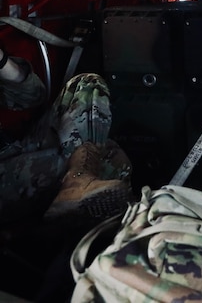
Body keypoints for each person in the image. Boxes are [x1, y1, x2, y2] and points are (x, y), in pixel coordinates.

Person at [0, 43, 133, 225]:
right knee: (109, 159)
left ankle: (79, 178)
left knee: (85, 85)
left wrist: (1, 62)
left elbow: (33, 95)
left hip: (13, 150)